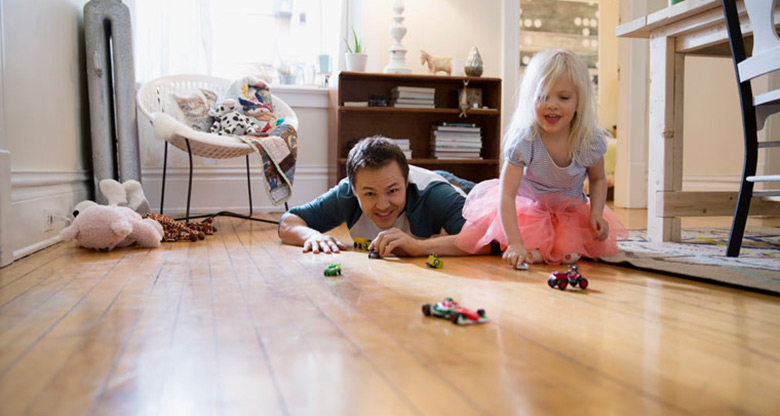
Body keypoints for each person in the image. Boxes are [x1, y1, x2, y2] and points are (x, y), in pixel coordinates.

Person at [455, 49, 627, 266]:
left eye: (563, 97)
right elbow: (507, 194)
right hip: (528, 210)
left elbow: (598, 179)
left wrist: (597, 213)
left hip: (570, 214)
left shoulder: (588, 140)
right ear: (531, 98)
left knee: (575, 247)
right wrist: (515, 242)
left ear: (579, 102)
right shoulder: (526, 140)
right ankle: (532, 250)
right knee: (481, 241)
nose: (551, 104)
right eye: (543, 96)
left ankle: (546, 251)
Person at [278, 135, 476, 257]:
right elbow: (288, 222)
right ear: (354, 190)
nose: (382, 205)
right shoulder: (346, 193)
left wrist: (418, 247)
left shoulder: (434, 194)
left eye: (392, 191)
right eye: (370, 194)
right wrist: (312, 236)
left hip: (465, 190)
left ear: (407, 182)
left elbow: (486, 238)